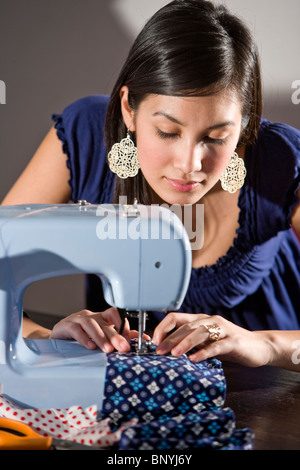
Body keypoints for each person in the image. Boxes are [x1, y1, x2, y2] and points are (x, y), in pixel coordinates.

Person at [2, 0, 299, 370]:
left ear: (244, 125)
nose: (191, 164)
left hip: (274, 390)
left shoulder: (280, 160)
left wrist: (265, 344)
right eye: (167, 132)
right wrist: (50, 340)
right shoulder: (85, 139)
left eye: (218, 137)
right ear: (129, 108)